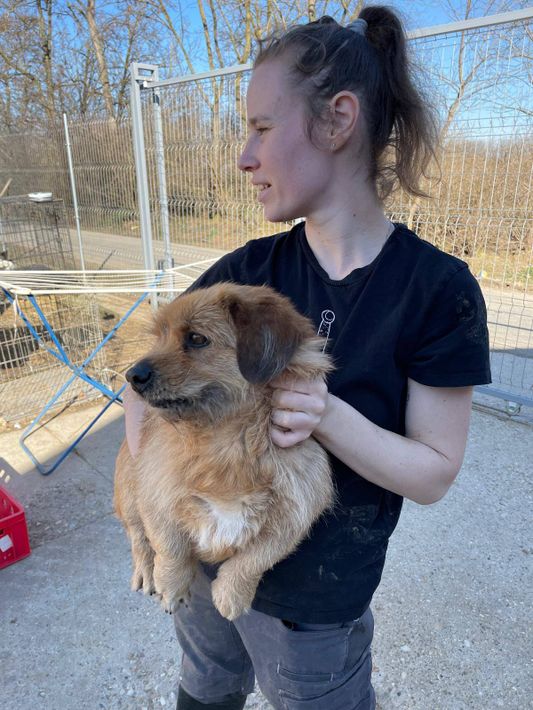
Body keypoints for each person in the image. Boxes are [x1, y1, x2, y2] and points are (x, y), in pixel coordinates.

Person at [123, 8, 491, 709]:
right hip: (202, 566)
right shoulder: (243, 271)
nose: (244, 156)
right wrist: (162, 508)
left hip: (314, 605)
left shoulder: (435, 289)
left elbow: (434, 474)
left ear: (336, 120)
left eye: (261, 128)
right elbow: (142, 386)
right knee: (205, 686)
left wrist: (327, 416)